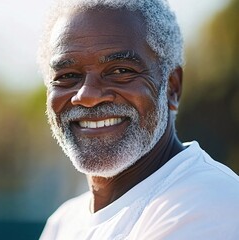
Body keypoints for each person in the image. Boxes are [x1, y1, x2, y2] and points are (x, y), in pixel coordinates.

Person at [37, 0, 239, 239]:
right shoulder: (63, 223)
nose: (88, 96)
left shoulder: (210, 203)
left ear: (172, 88)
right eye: (67, 76)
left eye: (120, 71)